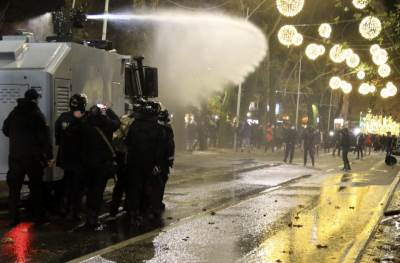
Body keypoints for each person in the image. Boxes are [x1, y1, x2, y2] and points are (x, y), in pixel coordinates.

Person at [2, 89, 53, 226]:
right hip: (32, 157)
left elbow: (5, 129)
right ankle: (39, 216)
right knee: (36, 187)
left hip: (15, 156)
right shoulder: (37, 114)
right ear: (35, 100)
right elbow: (45, 138)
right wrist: (49, 156)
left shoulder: (14, 112)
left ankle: (13, 217)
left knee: (14, 189)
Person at [125, 100, 166, 226]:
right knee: (148, 188)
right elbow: (161, 149)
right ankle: (145, 212)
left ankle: (133, 213)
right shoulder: (158, 128)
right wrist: (158, 165)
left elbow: (128, 143)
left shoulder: (134, 125)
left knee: (134, 188)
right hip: (150, 164)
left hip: (134, 163)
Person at [81, 104, 120, 230]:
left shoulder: (85, 124)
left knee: (89, 190)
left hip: (87, 164)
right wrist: (108, 110)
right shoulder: (107, 125)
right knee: (97, 192)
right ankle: (93, 218)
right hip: (102, 164)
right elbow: (117, 122)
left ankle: (89, 217)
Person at [55, 94, 87, 220]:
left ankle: (64, 208)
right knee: (77, 185)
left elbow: (57, 134)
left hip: (65, 156)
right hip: (79, 157)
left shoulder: (63, 117)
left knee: (66, 182)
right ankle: (74, 211)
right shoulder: (84, 118)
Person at [109, 106, 135, 218]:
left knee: (120, 183)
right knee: (129, 183)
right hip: (128, 156)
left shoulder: (122, 120)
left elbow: (115, 136)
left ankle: (114, 208)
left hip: (120, 155)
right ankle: (128, 207)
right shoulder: (134, 122)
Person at [157, 109, 175, 210]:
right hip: (163, 161)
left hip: (154, 160)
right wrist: (170, 160)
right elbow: (170, 146)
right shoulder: (167, 129)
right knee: (161, 182)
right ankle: (157, 203)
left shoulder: (154, 127)